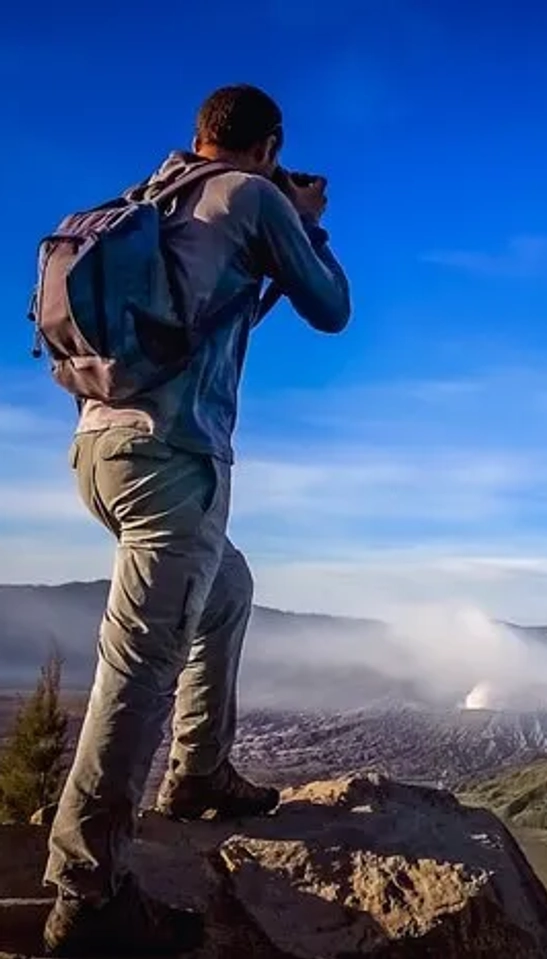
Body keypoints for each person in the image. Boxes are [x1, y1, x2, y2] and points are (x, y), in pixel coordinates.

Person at [41, 84, 351, 957]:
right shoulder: (252, 195)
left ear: (200, 134)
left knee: (228, 589)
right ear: (270, 144)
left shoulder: (155, 193)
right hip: (171, 458)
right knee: (139, 668)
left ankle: (199, 773)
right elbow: (332, 307)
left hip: (98, 452)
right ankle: (87, 894)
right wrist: (306, 220)